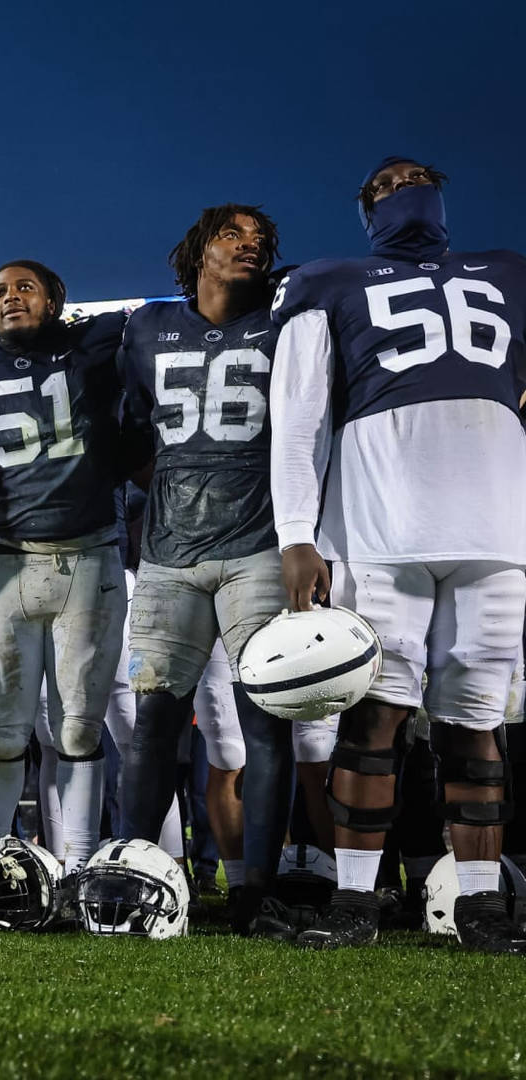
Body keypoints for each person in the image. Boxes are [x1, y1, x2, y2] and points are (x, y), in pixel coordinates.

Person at [271, 157, 526, 953]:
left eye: (417, 176)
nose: (404, 187)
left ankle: (480, 909)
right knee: (374, 714)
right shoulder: (327, 279)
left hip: (495, 526)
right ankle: (356, 905)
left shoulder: (510, 271)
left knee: (476, 723)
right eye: (385, 183)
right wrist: (296, 535)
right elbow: (298, 418)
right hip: (382, 526)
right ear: (363, 208)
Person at [115, 205, 298, 937]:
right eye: (233, 235)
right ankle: (135, 873)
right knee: (154, 719)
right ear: (197, 250)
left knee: (265, 720)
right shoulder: (145, 326)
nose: (249, 246)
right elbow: (125, 429)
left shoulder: (287, 319)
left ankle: (258, 888)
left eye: (260, 240)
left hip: (258, 545)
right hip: (165, 554)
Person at [0, 262, 130, 874]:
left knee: (79, 730)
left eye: (24, 288)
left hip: (90, 558)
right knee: (1, 731)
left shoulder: (97, 343)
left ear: (55, 300)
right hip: (8, 560)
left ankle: (80, 868)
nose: (10, 298)